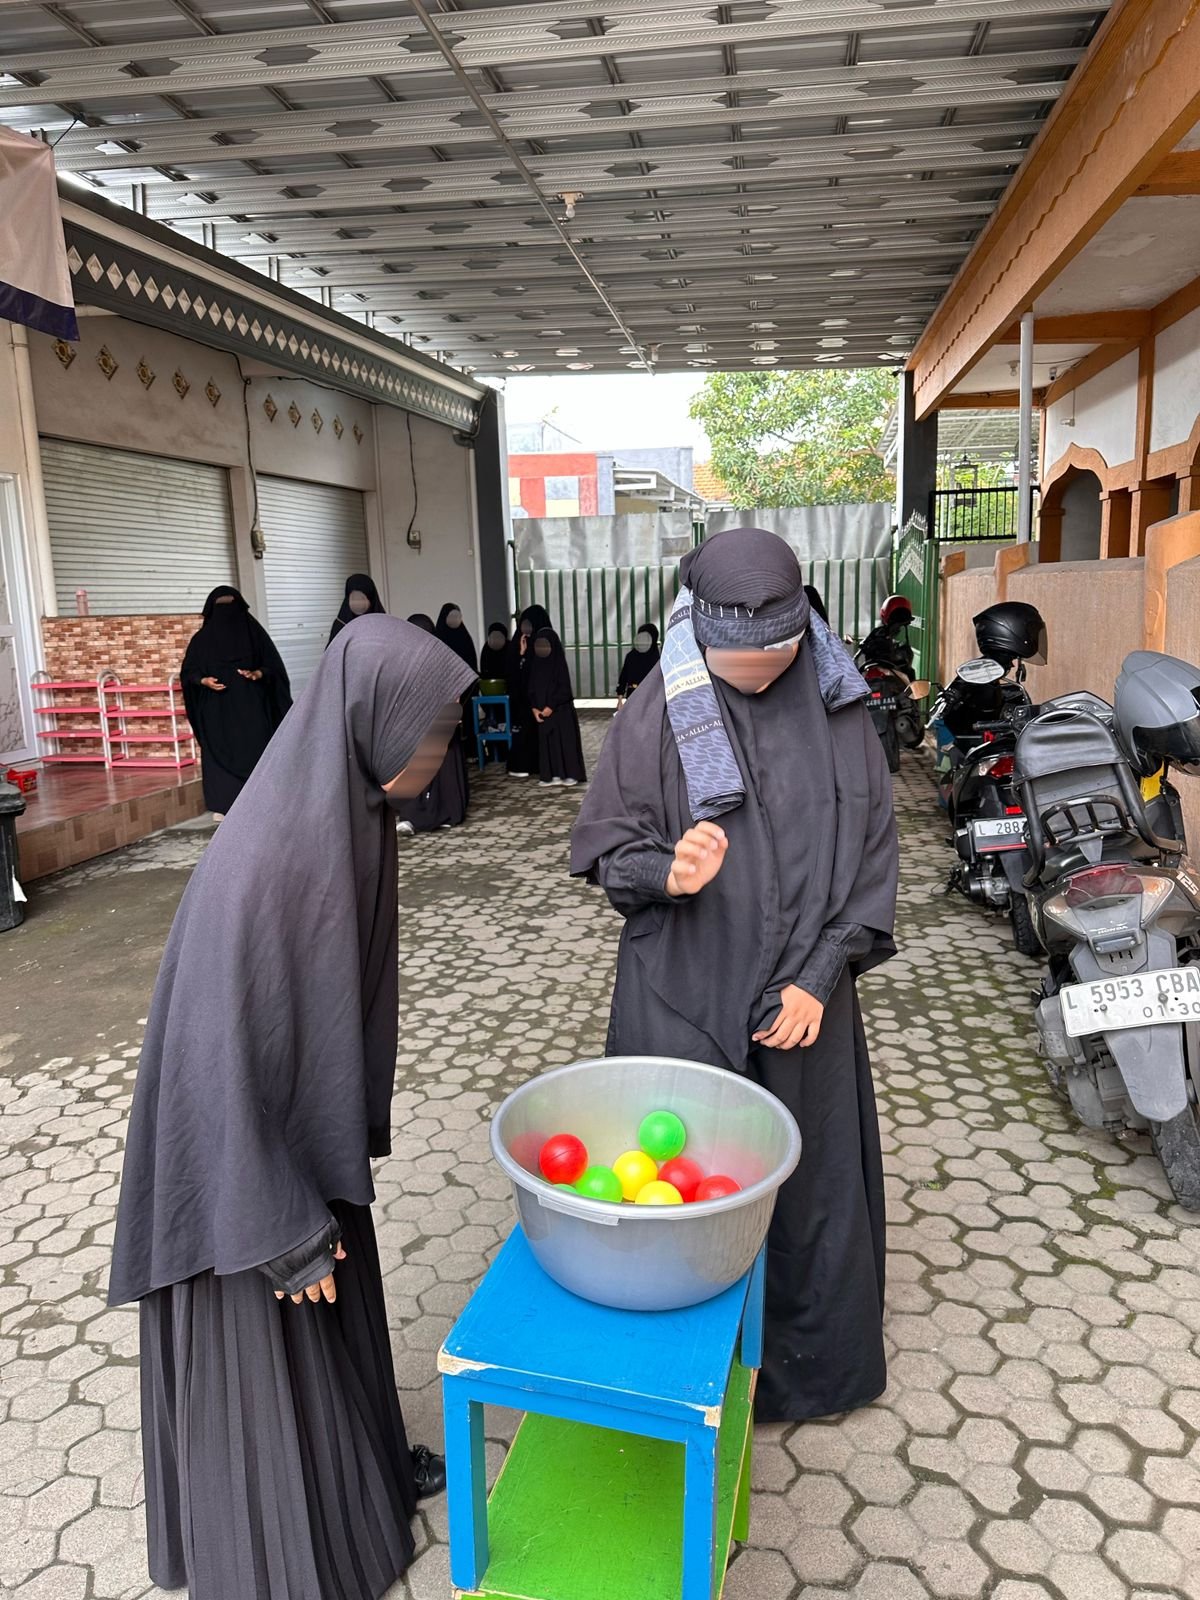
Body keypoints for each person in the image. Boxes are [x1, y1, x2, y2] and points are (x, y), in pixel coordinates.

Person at [108, 614, 476, 1600]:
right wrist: (282, 1231)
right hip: (244, 1176)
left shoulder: (345, 808)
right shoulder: (272, 857)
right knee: (279, 1341)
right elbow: (215, 1060)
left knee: (334, 1325)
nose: (441, 753)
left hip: (290, 1136)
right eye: (432, 731)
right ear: (372, 720)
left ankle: (357, 1484)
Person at [570, 528, 899, 1424]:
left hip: (802, 1000)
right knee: (681, 1180)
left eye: (773, 657)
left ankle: (802, 1374)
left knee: (807, 1189)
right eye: (733, 662)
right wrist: (666, 873)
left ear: (803, 631)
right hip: (682, 988)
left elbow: (874, 855)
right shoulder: (656, 709)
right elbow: (609, 855)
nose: (754, 674)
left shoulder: (839, 705)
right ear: (700, 635)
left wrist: (822, 975)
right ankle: (681, 1381)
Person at [181, 586, 291, 820]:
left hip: (252, 708)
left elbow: (273, 667)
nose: (227, 614)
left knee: (258, 750)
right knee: (217, 751)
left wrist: (258, 673)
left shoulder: (255, 635)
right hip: (216, 711)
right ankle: (224, 804)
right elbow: (189, 672)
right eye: (221, 607)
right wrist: (203, 680)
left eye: (231, 606)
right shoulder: (201, 641)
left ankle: (262, 800)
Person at [390, 613, 471, 832]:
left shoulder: (441, 657)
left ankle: (446, 812)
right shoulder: (401, 659)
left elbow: (455, 687)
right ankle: (412, 816)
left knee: (443, 768)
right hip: (413, 724)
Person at [527, 626, 587, 789]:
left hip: (561, 711)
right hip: (542, 713)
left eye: (545, 645)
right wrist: (534, 708)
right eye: (539, 645)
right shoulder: (535, 665)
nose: (541, 649)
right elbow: (531, 689)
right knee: (548, 744)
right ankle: (552, 774)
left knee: (565, 743)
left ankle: (570, 774)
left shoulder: (559, 664)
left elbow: (564, 689)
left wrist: (551, 706)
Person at [506, 603, 552, 778]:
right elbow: (513, 672)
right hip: (523, 698)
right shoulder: (518, 644)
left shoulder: (545, 644)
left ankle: (543, 764)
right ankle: (523, 764)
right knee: (525, 730)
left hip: (543, 698)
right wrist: (522, 654)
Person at [858, 594, 915, 678]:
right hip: (883, 671)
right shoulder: (882, 632)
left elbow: (864, 644)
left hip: (890, 672)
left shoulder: (881, 632)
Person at [328, 572, 385, 646]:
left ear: (371, 599)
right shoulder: (341, 624)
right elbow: (332, 651)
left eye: (361, 598)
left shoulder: (383, 623)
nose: (357, 603)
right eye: (354, 598)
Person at [616, 622, 660, 703]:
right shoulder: (659, 656)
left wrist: (620, 700)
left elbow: (623, 678)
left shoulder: (631, 656)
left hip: (633, 695)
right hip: (653, 697)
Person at [435, 602, 478, 672]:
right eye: (452, 616)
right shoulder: (437, 639)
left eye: (458, 616)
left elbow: (472, 663)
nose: (456, 619)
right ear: (445, 616)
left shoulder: (465, 638)